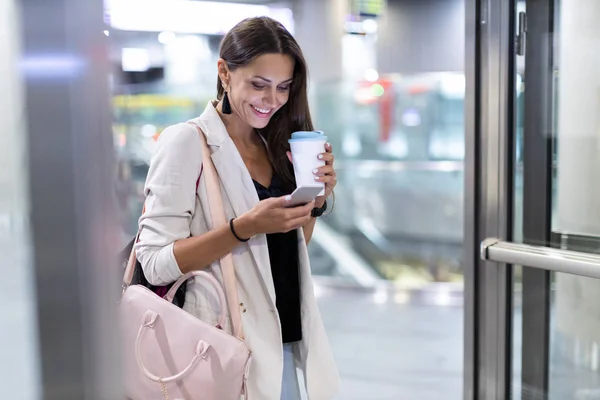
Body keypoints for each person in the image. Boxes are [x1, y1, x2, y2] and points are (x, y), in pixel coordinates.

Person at [135, 16, 339, 400]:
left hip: (287, 343)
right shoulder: (186, 142)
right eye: (258, 85)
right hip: (220, 350)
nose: (272, 100)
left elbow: (286, 254)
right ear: (225, 73)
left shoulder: (277, 146)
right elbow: (154, 261)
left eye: (283, 87)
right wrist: (242, 228)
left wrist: (314, 202)